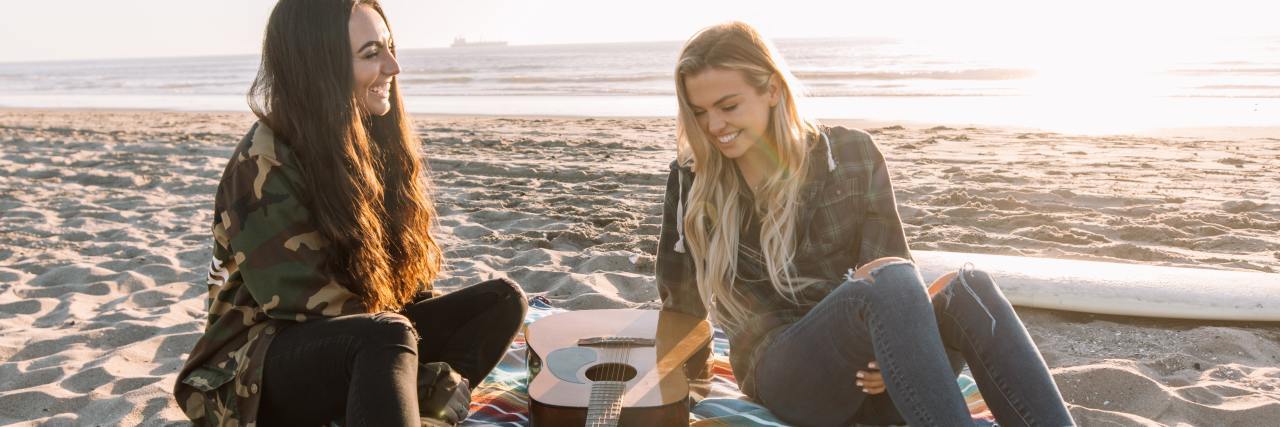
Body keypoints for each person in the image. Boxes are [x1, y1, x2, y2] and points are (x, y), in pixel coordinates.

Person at [655, 22, 1075, 426]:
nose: (714, 126)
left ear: (772, 90)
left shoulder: (852, 153)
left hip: (885, 378)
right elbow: (681, 305)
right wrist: (670, 395)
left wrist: (890, 351)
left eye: (728, 107)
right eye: (699, 112)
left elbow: (894, 271)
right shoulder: (693, 177)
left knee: (970, 289)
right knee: (889, 282)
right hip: (792, 378)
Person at [173, 1, 527, 425]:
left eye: (390, 47)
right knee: (388, 335)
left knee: (502, 301)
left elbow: (407, 290)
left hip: (365, 340)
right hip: (254, 369)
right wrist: (423, 374)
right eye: (371, 53)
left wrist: (431, 351)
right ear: (318, 65)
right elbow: (309, 306)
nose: (393, 66)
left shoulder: (374, 138)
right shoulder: (264, 162)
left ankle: (423, 414)